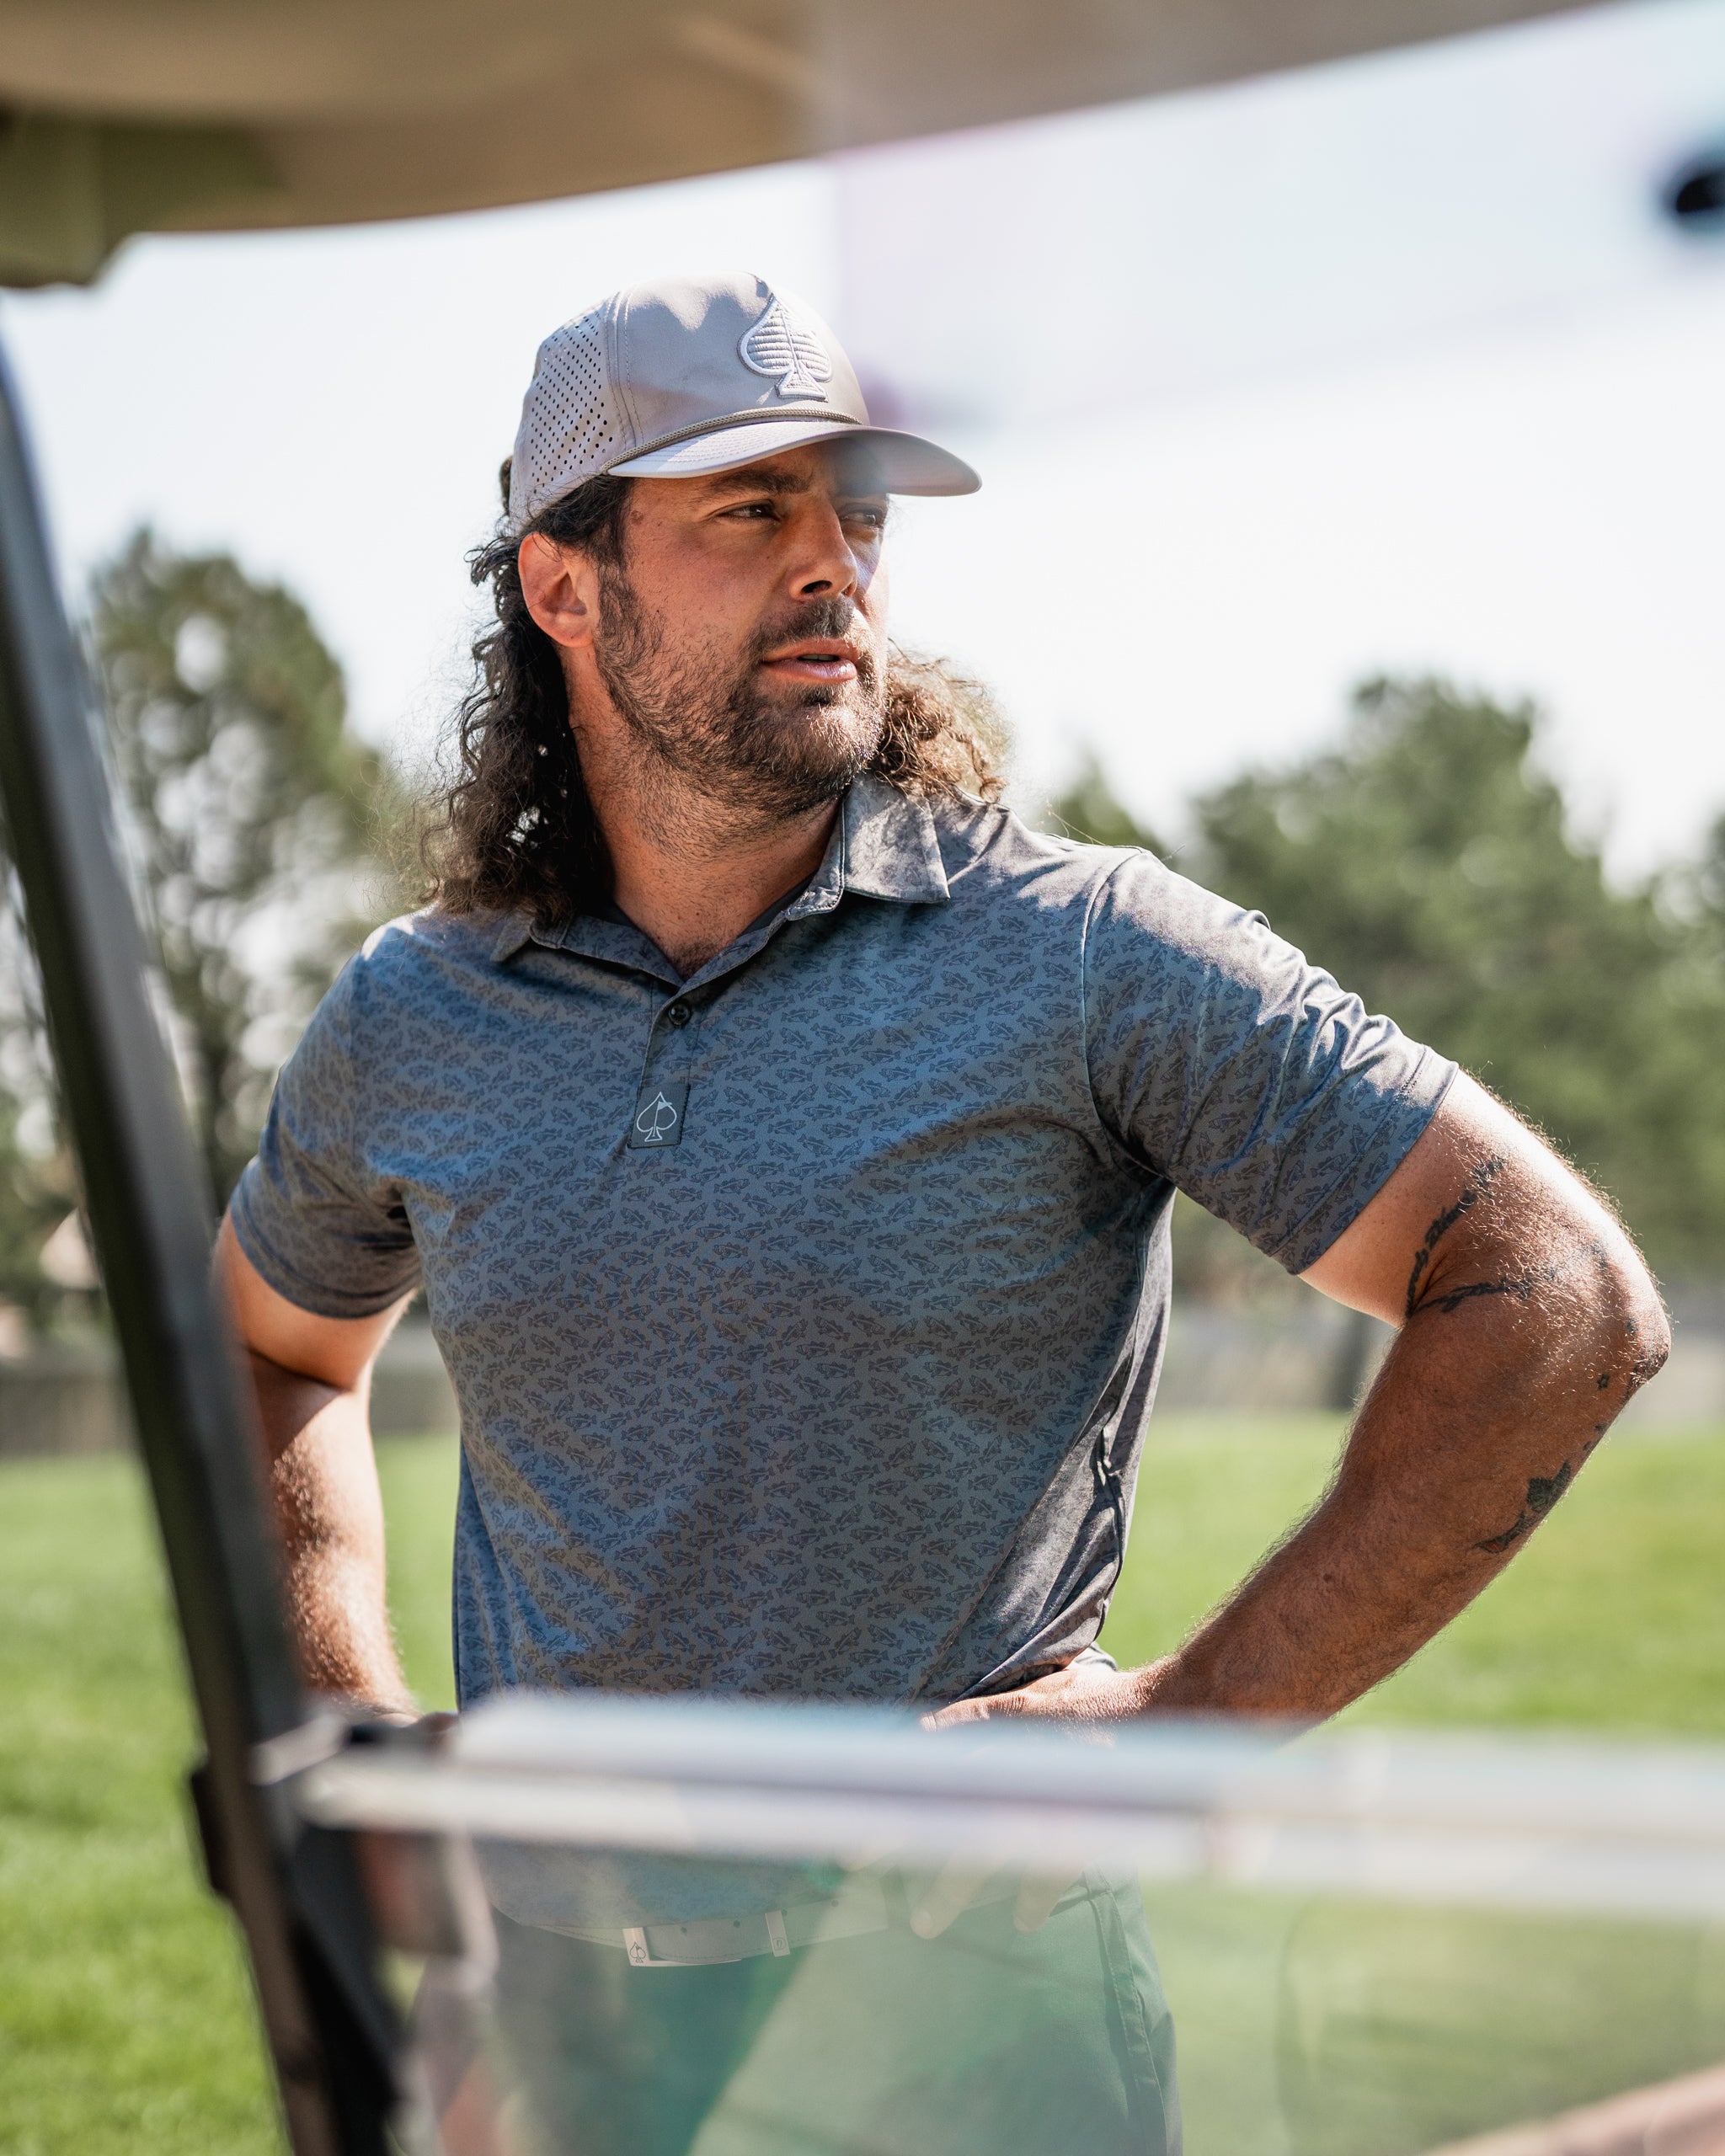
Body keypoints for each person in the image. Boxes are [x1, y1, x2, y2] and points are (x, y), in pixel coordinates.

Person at [217, 273, 1667, 2155]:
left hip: (972, 2034)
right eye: (751, 509)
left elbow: (1553, 1292)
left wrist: (1183, 1725)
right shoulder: (414, 1015)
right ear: (562, 583)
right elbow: (264, 1350)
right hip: (555, 2024)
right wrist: (366, 1735)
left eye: (861, 513)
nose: (835, 563)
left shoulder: (1080, 956)